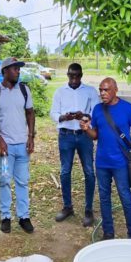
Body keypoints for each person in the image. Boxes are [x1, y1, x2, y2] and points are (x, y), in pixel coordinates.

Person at [79, 77, 131, 240]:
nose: (102, 93)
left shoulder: (127, 109)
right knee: (104, 197)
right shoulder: (97, 109)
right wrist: (87, 129)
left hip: (121, 163)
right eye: (100, 90)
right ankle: (108, 232)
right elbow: (95, 135)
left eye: (106, 90)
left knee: (125, 197)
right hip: (102, 163)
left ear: (115, 90)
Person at [0, 56, 35, 234]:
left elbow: (30, 113)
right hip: (5, 149)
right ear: (4, 71)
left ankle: (24, 217)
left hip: (22, 147)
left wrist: (31, 137)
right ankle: (5, 216)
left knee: (22, 181)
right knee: (4, 180)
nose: (18, 71)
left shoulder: (24, 89)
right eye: (14, 68)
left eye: (19, 68)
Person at [49, 63, 100, 227]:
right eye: (71, 75)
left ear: (81, 75)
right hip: (66, 136)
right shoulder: (60, 91)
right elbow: (53, 113)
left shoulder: (90, 91)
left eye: (77, 75)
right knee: (65, 171)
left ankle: (88, 210)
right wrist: (65, 117)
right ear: (67, 75)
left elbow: (96, 112)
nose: (74, 79)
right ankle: (67, 207)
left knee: (89, 172)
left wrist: (83, 115)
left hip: (84, 135)